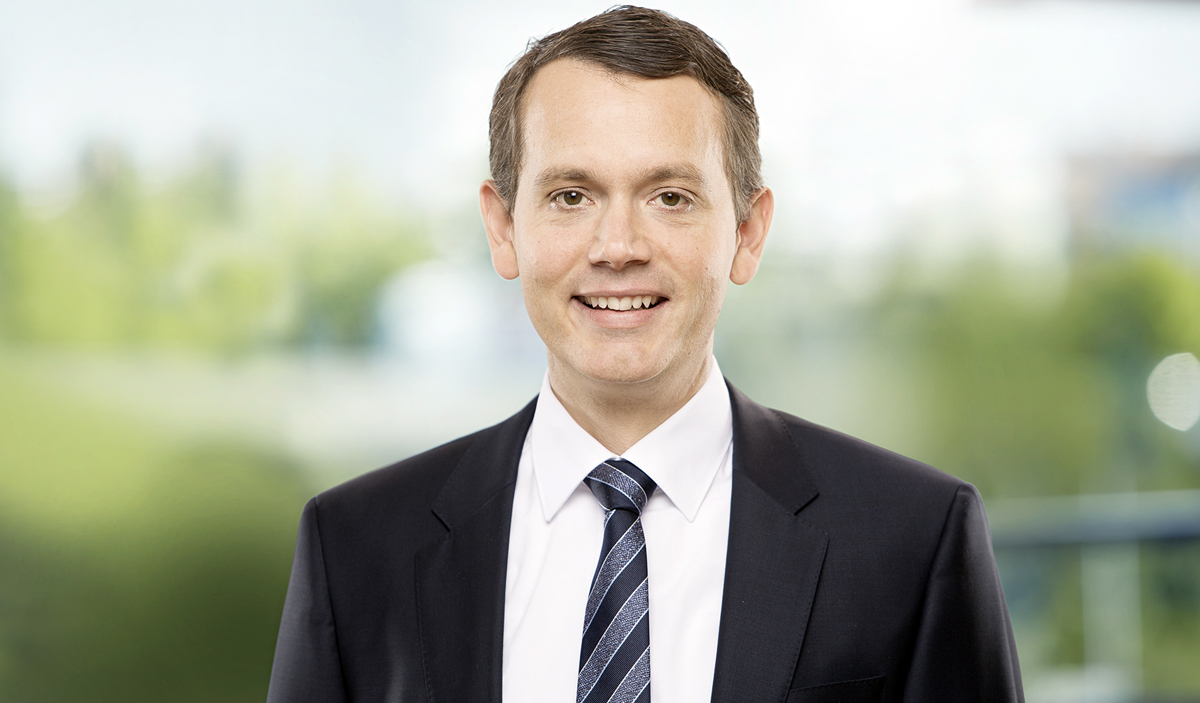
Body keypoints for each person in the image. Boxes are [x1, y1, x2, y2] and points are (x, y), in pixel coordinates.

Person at [266, 6, 1024, 703]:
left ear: (748, 232)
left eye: (670, 197)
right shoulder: (356, 547)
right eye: (571, 195)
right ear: (502, 228)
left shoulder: (913, 539)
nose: (618, 247)